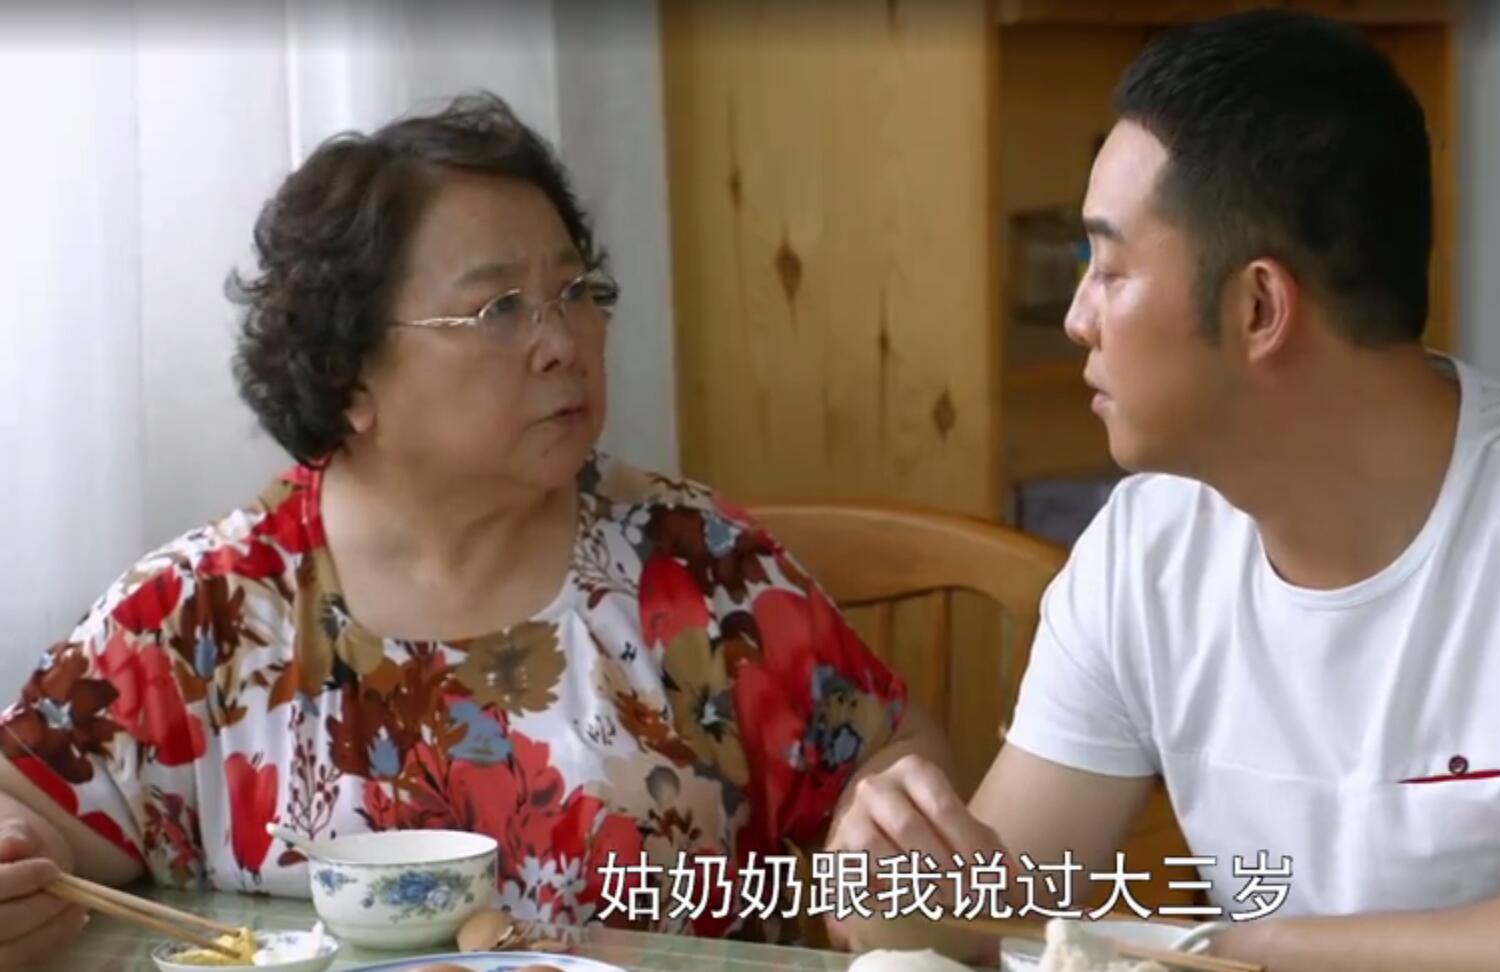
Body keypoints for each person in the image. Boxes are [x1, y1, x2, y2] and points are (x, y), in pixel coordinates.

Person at [828, 11, 1500, 972]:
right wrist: (893, 886)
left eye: (1109, 269)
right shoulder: (1142, 550)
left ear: (1258, 307)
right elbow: (996, 914)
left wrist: (1231, 950)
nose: (1077, 318)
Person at [0, 92, 951, 964]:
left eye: (575, 292)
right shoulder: (205, 614)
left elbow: (891, 770)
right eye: (499, 309)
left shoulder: (698, 571)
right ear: (347, 373)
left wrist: (893, 857)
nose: (562, 343)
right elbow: (26, 810)